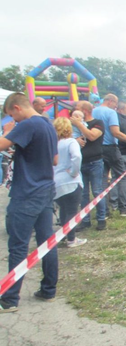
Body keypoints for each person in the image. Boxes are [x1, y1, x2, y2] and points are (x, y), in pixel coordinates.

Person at [0, 93, 58, 313]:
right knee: (46, 243)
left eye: (12, 115)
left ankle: (9, 299)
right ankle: (49, 290)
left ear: (17, 108)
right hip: (45, 189)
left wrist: (6, 132)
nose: (13, 120)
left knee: (18, 245)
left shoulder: (27, 124)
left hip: (26, 192)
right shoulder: (47, 124)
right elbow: (54, 160)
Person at [93, 94, 126, 218]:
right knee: (123, 177)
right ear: (110, 101)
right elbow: (116, 133)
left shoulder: (94, 111)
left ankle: (104, 211)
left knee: (103, 180)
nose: (116, 107)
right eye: (115, 104)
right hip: (111, 148)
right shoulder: (111, 113)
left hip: (97, 148)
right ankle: (123, 208)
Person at [71, 101, 106, 230]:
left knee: (97, 191)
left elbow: (92, 136)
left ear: (85, 111)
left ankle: (101, 219)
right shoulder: (74, 126)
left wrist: (79, 124)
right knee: (83, 194)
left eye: (77, 109)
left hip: (95, 162)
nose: (73, 112)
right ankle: (85, 220)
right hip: (80, 163)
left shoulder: (97, 123)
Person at [52, 117, 86, 248]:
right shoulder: (71, 142)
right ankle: (71, 239)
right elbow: (77, 156)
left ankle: (64, 235)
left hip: (56, 182)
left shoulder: (53, 144)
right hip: (70, 181)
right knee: (72, 211)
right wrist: (73, 171)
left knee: (64, 210)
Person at [109, 102, 126, 214]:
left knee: (115, 179)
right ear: (120, 110)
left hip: (116, 152)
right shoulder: (123, 121)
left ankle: (114, 203)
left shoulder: (114, 120)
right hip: (124, 153)